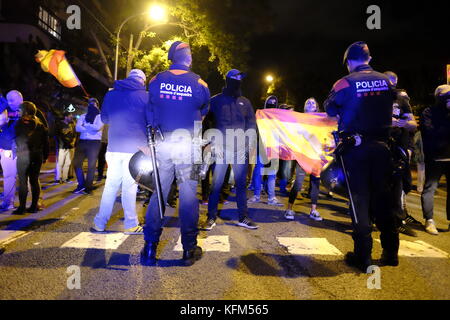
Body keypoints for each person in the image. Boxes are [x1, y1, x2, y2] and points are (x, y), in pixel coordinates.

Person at [324, 41, 399, 272]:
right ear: (369, 57)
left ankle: (363, 255)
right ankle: (390, 252)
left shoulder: (344, 82)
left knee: (359, 200)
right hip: (383, 148)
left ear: (348, 61)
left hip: (356, 149)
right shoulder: (386, 81)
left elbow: (329, 108)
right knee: (383, 199)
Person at [141, 41, 210, 266]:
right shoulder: (200, 83)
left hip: (163, 142)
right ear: (187, 58)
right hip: (187, 143)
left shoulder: (156, 80)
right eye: (189, 53)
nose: (191, 56)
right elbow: (203, 112)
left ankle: (150, 246)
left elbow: (149, 109)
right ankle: (189, 249)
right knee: (189, 194)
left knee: (159, 193)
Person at [92, 69, 148, 235]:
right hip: (135, 148)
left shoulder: (111, 94)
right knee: (130, 187)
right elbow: (151, 121)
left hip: (114, 147)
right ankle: (131, 224)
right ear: (142, 82)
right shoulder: (146, 96)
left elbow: (105, 119)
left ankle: (99, 223)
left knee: (110, 186)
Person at [202, 69, 258, 232]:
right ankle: (211, 217)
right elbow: (205, 122)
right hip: (221, 149)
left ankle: (243, 217)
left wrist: (249, 145)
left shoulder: (245, 102)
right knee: (216, 185)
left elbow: (251, 125)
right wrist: (210, 142)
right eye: (236, 77)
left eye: (241, 77)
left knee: (241, 185)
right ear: (228, 79)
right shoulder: (216, 101)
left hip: (240, 150)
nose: (239, 80)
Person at [384, 71, 419, 237]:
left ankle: (398, 221)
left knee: (399, 185)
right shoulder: (374, 97)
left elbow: (412, 124)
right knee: (377, 183)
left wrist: (403, 123)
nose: (392, 85)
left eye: (394, 82)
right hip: (380, 145)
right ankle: (372, 218)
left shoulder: (402, 99)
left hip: (398, 147)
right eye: (388, 81)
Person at [284, 98, 323, 221]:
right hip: (303, 155)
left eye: (313, 102)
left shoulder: (321, 120)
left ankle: (313, 210)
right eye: (308, 102)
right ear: (305, 107)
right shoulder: (299, 119)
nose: (310, 104)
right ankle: (289, 208)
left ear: (316, 107)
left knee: (315, 183)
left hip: (316, 156)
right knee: (298, 182)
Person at [420, 84, 450, 235]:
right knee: (430, 188)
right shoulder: (429, 112)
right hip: (436, 157)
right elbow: (430, 132)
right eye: (445, 96)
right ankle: (429, 220)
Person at [13, 102, 49, 215]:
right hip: (37, 155)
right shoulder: (40, 124)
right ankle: (33, 206)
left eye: (20, 110)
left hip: (24, 156)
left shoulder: (20, 124)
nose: (18, 112)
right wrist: (45, 156)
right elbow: (46, 142)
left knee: (23, 182)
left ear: (25, 112)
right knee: (34, 180)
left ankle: (22, 208)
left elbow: (18, 139)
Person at [247, 95, 284, 207]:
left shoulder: (278, 118)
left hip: (274, 148)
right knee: (259, 172)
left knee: (272, 174)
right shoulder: (260, 115)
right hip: (261, 148)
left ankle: (271, 197)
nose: (272, 104)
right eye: (270, 102)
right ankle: (257, 195)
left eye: (274, 102)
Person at [72, 98, 104, 195]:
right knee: (76, 163)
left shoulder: (100, 117)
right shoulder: (83, 116)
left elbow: (97, 128)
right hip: (82, 142)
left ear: (97, 106)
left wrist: (85, 125)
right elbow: (77, 128)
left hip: (94, 143)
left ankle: (88, 187)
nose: (91, 106)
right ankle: (81, 184)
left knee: (91, 165)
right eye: (90, 104)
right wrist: (90, 127)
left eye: (93, 104)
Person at [0, 94, 17, 212]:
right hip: (5, 151)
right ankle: (8, 201)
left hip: (10, 152)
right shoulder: (5, 126)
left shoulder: (10, 125)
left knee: (10, 177)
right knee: (9, 177)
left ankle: (8, 202)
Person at [55, 111, 76, 183]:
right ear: (65, 117)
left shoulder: (72, 124)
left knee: (68, 163)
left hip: (70, 146)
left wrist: (73, 142)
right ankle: (58, 178)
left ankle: (65, 178)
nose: (71, 118)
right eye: (70, 117)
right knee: (60, 163)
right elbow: (57, 135)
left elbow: (74, 134)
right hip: (62, 147)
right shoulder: (59, 124)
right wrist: (60, 143)